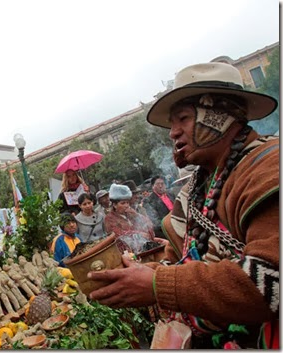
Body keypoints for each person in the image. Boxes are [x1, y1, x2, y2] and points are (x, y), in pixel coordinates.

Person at [87, 62, 279, 349]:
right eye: (172, 123)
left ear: (219, 116)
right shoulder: (194, 190)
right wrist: (140, 275)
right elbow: (179, 259)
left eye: (184, 119)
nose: (173, 133)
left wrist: (157, 285)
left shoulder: (268, 167)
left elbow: (268, 285)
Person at [104, 184, 155, 251]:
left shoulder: (131, 214)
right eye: (123, 203)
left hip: (144, 247)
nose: (126, 205)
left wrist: (136, 215)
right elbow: (119, 235)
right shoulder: (109, 218)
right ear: (115, 205)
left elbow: (149, 225)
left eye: (127, 203)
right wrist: (138, 233)